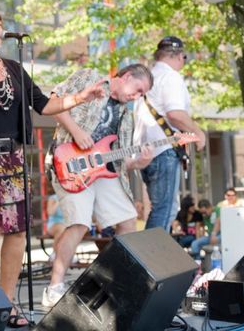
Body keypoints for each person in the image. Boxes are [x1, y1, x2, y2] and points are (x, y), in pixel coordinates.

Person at [0, 7, 105, 327]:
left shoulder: (14, 68)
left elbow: (45, 105)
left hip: (13, 159)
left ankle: (6, 303)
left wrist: (80, 97)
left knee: (17, 231)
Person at [42, 63, 155, 308]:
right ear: (126, 76)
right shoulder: (89, 76)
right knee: (79, 223)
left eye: (142, 94)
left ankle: (109, 283)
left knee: (128, 221)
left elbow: (119, 161)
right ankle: (54, 287)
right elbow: (52, 102)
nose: (137, 97)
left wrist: (139, 162)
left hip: (101, 172)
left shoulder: (126, 114)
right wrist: (76, 131)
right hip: (69, 163)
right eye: (138, 89)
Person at [134, 36, 206, 232]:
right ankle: (150, 252)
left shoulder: (148, 77)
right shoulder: (171, 77)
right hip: (163, 151)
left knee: (164, 208)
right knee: (164, 210)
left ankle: (151, 250)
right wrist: (198, 133)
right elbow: (175, 114)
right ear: (179, 56)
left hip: (145, 151)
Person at [46, 194, 66, 260]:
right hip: (54, 224)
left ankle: (68, 254)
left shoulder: (70, 198)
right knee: (61, 228)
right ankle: (55, 253)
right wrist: (58, 201)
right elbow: (50, 212)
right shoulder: (53, 198)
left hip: (66, 225)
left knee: (70, 229)